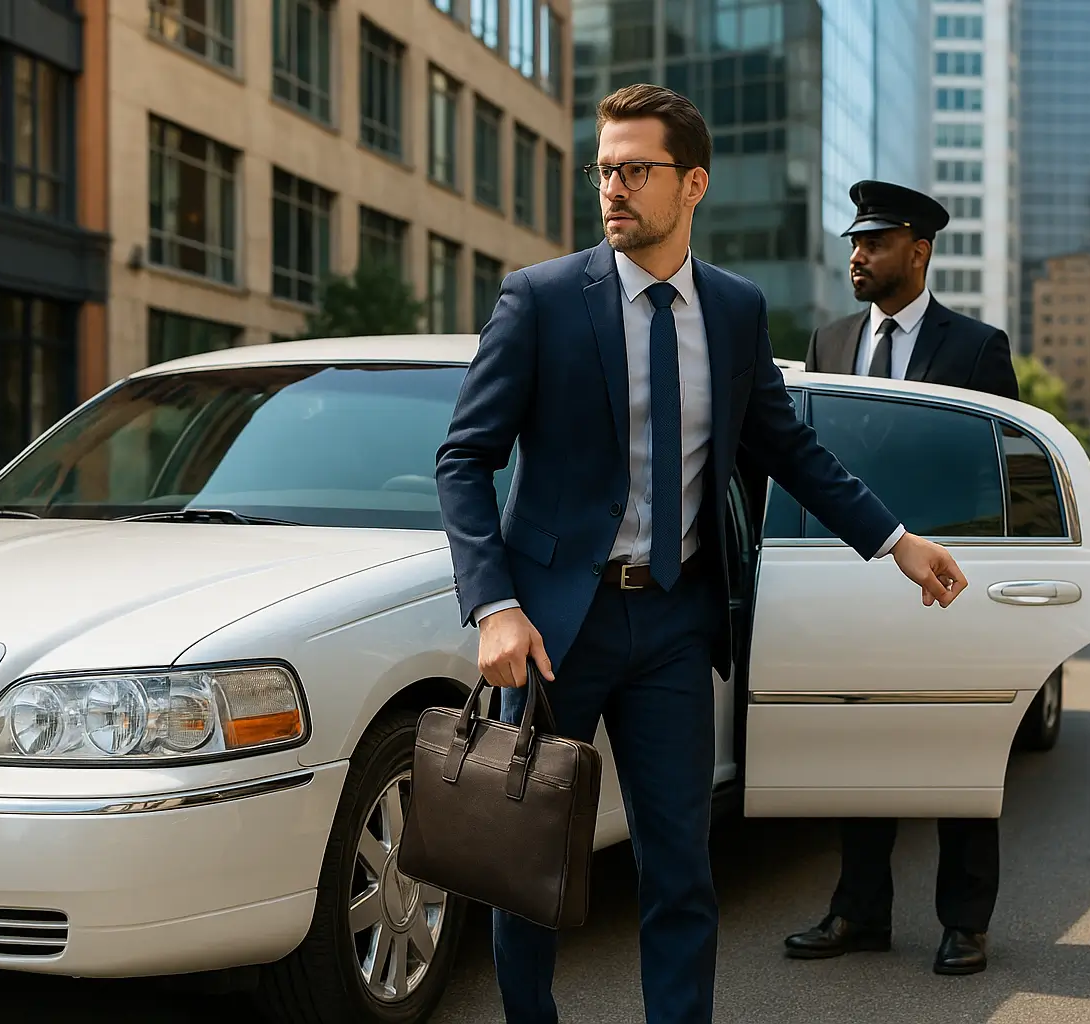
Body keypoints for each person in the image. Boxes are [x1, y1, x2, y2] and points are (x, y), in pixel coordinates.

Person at [435, 90, 972, 1024]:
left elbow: (787, 448)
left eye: (635, 170)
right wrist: (494, 607)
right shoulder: (542, 299)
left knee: (680, 870)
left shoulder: (733, 309)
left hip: (678, 624)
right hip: (558, 627)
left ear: (693, 184)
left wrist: (897, 542)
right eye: (604, 169)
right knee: (524, 866)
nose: (614, 188)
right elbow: (463, 458)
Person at [784, 179, 1018, 976]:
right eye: (854, 242)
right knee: (862, 747)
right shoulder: (829, 341)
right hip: (856, 578)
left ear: (918, 250)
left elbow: (996, 472)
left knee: (959, 748)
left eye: (874, 243)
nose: (857, 254)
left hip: (948, 581)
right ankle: (860, 912)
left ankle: (965, 923)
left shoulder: (978, 347)